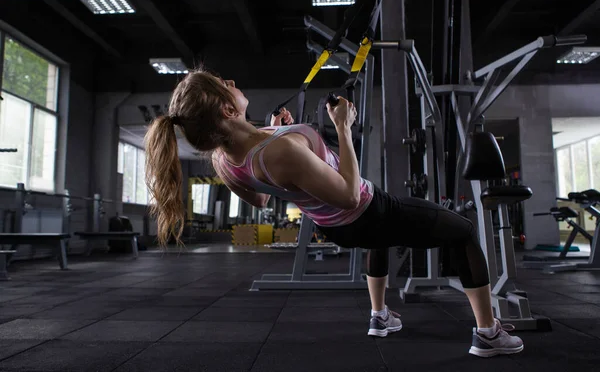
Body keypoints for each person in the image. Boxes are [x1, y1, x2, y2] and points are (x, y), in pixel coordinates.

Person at [144, 68, 524, 358]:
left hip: (336, 228)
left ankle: (379, 316)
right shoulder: (279, 152)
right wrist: (343, 128)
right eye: (225, 84)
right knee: (463, 230)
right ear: (228, 109)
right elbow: (347, 194)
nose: (231, 81)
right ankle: (488, 333)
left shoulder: (225, 161)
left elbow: (262, 200)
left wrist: (277, 133)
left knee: (381, 239)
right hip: (365, 209)